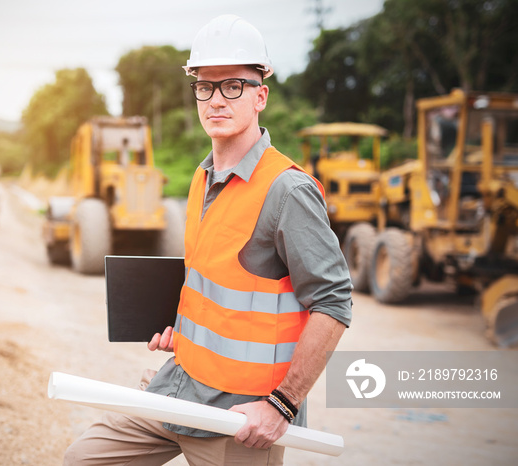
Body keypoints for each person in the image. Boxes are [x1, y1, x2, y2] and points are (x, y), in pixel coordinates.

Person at [64, 14, 352, 466]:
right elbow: (218, 284)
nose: (216, 99)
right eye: (205, 86)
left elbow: (333, 302)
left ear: (261, 96)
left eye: (232, 86)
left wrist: (282, 405)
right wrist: (181, 328)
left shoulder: (287, 191)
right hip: (178, 387)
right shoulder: (202, 177)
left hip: (239, 418)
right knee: (82, 460)